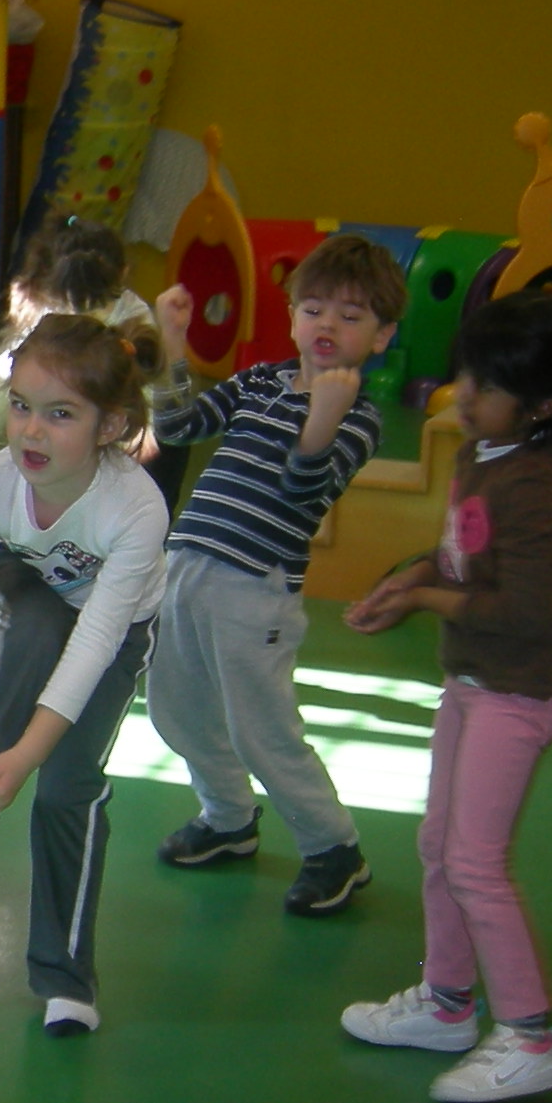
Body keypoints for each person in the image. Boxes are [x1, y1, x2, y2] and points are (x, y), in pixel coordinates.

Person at [338, 293, 552, 1101]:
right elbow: (461, 560)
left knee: (476, 863)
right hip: (471, 683)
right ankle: (447, 1003)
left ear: (540, 405)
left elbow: (525, 611)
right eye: (467, 373)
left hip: (517, 693)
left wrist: (427, 600)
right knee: (439, 846)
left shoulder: (535, 486)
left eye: (489, 384)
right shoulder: (482, 454)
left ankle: (533, 1037)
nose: (466, 394)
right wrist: (409, 581)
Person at [145, 233, 408, 915]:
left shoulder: (358, 414)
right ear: (291, 315)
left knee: (262, 729)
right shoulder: (259, 378)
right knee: (174, 709)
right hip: (185, 567)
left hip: (252, 590)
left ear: (381, 337)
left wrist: (321, 422)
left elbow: (300, 495)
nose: (327, 325)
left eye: (351, 317)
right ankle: (228, 818)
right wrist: (173, 342)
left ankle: (334, 848)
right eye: (314, 308)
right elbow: (178, 425)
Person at [0, 314, 167, 1033]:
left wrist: (30, 759)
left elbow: (96, 642)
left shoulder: (134, 509)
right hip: (29, 588)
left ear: (109, 425)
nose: (30, 431)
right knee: (32, 626)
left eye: (61, 415)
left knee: (67, 786)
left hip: (116, 630)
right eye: (21, 406)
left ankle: (65, 977)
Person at [0, 217, 184, 509]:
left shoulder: (40, 329)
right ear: (123, 273)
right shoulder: (136, 319)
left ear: (43, 278)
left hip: (91, 482)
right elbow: (154, 429)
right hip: (128, 479)